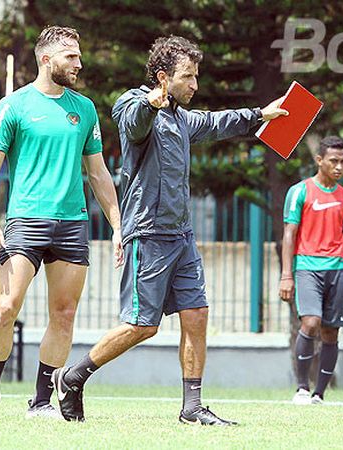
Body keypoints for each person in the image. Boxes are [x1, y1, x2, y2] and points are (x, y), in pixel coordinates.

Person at [51, 35, 288, 425]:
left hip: (181, 236)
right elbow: (133, 121)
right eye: (188, 77)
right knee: (141, 326)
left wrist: (261, 114)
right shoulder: (133, 103)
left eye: (196, 76)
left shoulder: (181, 117)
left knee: (197, 314)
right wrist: (150, 103)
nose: (195, 84)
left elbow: (216, 122)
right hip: (148, 235)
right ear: (163, 77)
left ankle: (192, 408)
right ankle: (73, 376)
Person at [0, 26, 122, 419]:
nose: (79, 63)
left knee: (64, 314)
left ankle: (40, 402)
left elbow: (99, 174)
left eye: (79, 56)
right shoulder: (13, 106)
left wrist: (118, 226)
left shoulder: (83, 109)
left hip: (72, 223)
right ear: (47, 59)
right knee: (5, 307)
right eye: (71, 56)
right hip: (25, 220)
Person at [278, 136, 343, 405]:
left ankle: (319, 394)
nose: (339, 167)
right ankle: (301, 387)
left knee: (331, 331)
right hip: (307, 268)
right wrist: (286, 274)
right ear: (319, 160)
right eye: (333, 161)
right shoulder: (300, 192)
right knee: (310, 322)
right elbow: (289, 234)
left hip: (336, 269)